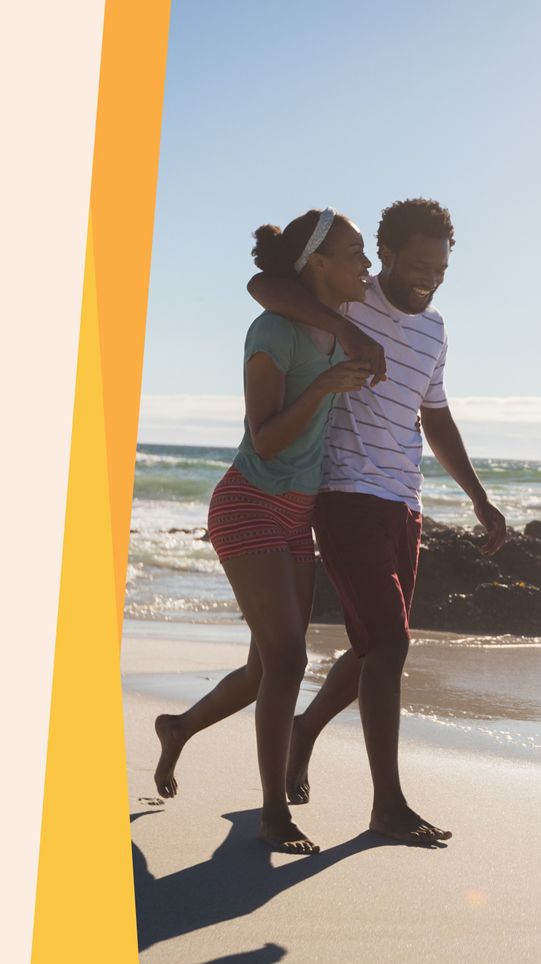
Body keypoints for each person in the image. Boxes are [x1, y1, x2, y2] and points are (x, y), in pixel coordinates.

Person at [154, 197, 507, 845]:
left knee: (308, 659)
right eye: (415, 260)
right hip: (296, 500)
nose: (427, 273)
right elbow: (264, 290)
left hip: (348, 507)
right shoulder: (321, 311)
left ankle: (214, 730)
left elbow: (434, 413)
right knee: (326, 655)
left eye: (442, 264)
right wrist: (341, 349)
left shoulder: (400, 321)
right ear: (375, 257)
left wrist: (479, 497)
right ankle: (315, 810)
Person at [166, 207, 372, 854]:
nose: (365, 265)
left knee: (266, 668)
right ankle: (273, 811)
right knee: (288, 658)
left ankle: (178, 728)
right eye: (354, 252)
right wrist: (323, 389)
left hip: (297, 513)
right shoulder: (274, 332)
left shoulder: (341, 329)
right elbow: (267, 438)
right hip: (250, 501)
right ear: (318, 263)